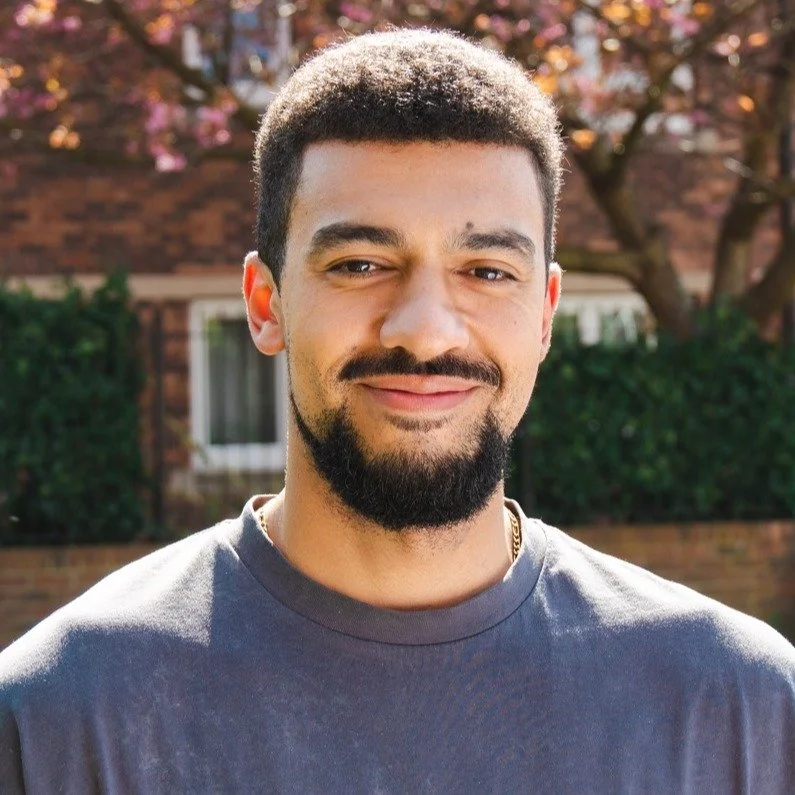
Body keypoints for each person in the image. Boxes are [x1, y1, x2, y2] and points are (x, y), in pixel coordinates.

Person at [1, 29, 793, 794]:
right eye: (361, 263)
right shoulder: (59, 716)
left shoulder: (740, 708)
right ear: (265, 302)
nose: (424, 329)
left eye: (485, 270)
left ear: (545, 313)